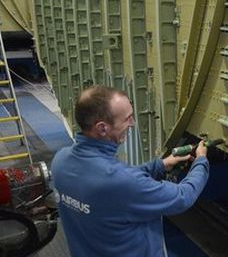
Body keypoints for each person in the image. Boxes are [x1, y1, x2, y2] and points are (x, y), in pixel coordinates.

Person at [51, 85, 209, 257]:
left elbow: (116, 184)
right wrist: (201, 161)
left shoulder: (60, 161)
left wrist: (160, 165)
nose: (132, 123)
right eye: (127, 119)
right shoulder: (120, 181)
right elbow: (182, 196)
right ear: (102, 128)